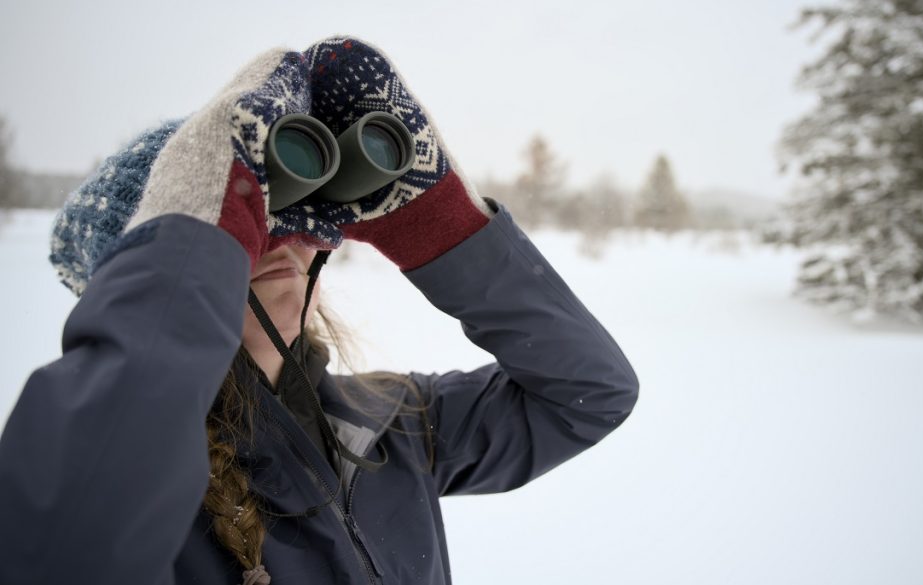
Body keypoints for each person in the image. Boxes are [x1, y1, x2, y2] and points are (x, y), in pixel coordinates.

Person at [0, 36, 639, 585]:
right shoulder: (142, 491)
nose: (286, 239)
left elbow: (589, 393)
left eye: (299, 216)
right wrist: (195, 231)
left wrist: (445, 230)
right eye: (248, 223)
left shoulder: (393, 425)